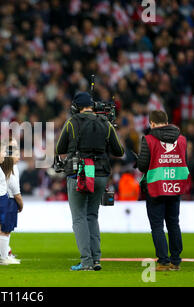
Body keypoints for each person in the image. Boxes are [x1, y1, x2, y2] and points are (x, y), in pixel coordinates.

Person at [55, 92, 124, 271]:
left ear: (76, 107)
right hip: (101, 173)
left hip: (80, 172)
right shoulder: (106, 123)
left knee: (79, 218)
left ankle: (86, 261)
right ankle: (96, 259)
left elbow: (59, 148)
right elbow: (119, 151)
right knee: (92, 215)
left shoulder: (71, 123)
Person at [137, 110, 191, 271]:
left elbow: (143, 166)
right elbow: (184, 161)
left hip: (155, 186)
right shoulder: (182, 140)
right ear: (167, 122)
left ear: (152, 124)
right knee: (174, 223)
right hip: (175, 185)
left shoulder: (148, 139)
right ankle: (176, 261)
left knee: (157, 225)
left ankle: (163, 261)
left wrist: (139, 160)